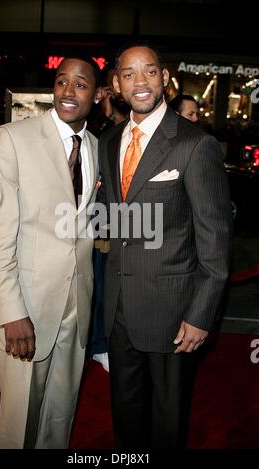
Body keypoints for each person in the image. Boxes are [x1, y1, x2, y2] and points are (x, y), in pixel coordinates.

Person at [97, 42, 233, 449]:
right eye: (129, 74)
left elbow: (216, 240)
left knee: (166, 423)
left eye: (149, 71)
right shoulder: (110, 141)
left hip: (173, 314)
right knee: (126, 416)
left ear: (165, 78)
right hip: (119, 307)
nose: (140, 81)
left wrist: (201, 314)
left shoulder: (194, 144)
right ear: (118, 85)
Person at [0, 56, 101, 449]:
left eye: (81, 84)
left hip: (75, 311)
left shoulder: (97, 147)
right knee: (20, 426)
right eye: (62, 81)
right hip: (25, 310)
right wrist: (11, 313)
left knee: (59, 420)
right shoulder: (12, 138)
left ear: (97, 95)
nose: (68, 91)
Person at [87, 65, 130, 372]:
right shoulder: (98, 127)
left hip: (131, 223)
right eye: (113, 84)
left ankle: (107, 342)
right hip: (100, 223)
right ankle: (100, 345)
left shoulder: (131, 124)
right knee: (100, 284)